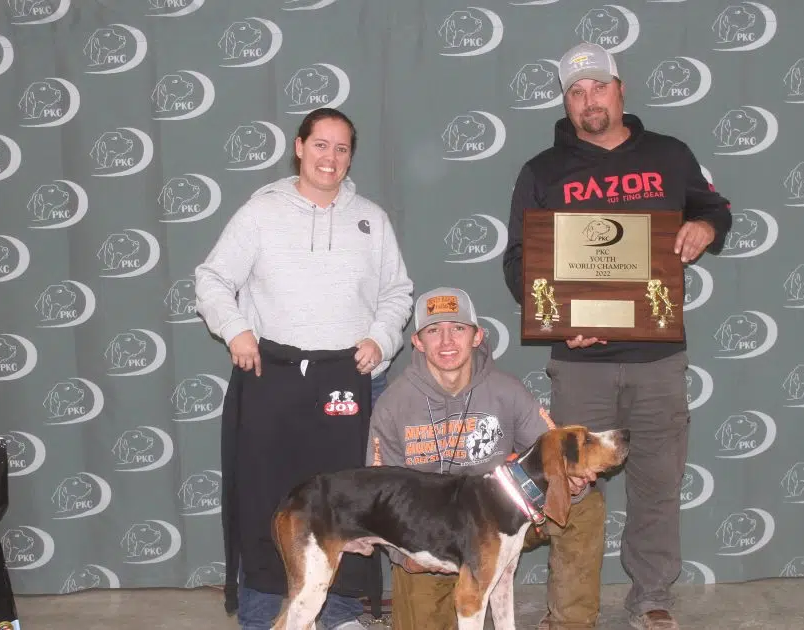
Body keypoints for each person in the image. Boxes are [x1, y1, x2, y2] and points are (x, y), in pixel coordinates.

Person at [501, 42, 733, 630]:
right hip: (579, 362)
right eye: (576, 93)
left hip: (659, 358)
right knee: (570, 486)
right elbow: (519, 260)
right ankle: (571, 607)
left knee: (658, 480)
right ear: (565, 101)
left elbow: (715, 207)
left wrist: (705, 225)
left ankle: (652, 594)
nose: (589, 101)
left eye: (598, 87)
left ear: (619, 88)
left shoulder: (670, 155)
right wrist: (555, 318)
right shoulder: (542, 170)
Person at [194, 107, 414, 630]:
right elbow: (211, 280)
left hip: (348, 378)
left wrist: (381, 339)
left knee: (347, 502)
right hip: (272, 373)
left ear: (349, 157)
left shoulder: (371, 218)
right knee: (266, 501)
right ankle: (262, 613)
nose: (330, 157)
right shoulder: (260, 212)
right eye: (321, 145)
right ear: (299, 147)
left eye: (341, 149)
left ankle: (338, 613)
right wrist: (235, 328)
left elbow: (397, 291)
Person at [366, 286, 603, 630]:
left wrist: (573, 479)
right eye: (434, 331)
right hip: (431, 537)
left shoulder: (506, 390)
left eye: (458, 329)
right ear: (417, 342)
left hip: (504, 518)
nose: (447, 342)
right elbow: (379, 494)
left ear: (477, 336)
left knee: (583, 506)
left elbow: (552, 448)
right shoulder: (393, 405)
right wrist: (405, 555)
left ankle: (573, 624)